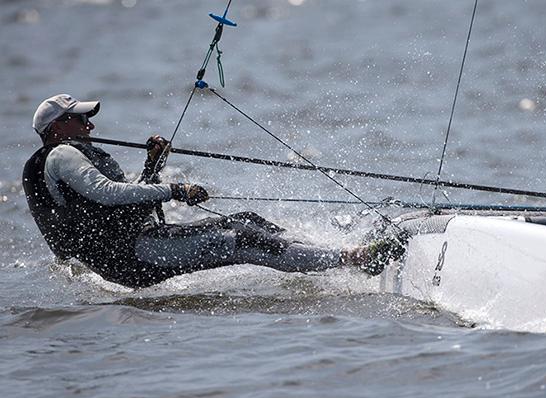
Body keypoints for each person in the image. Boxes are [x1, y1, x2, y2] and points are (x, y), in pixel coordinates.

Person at [23, 94, 405, 288]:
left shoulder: (70, 155)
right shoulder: (60, 155)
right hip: (129, 254)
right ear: (58, 127)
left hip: (131, 248)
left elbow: (124, 201)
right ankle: (357, 259)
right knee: (243, 240)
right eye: (81, 119)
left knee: (246, 222)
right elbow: (107, 193)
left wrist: (152, 167)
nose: (89, 126)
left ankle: (329, 254)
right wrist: (173, 189)